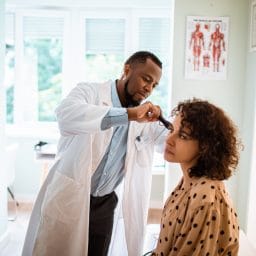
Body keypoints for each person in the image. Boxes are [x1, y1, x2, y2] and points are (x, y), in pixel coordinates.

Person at [22, 51, 169, 256]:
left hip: (105, 205)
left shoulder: (144, 118)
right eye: (146, 79)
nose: (149, 88)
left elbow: (169, 140)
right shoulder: (89, 92)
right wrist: (127, 115)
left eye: (154, 85)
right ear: (127, 70)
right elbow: (65, 115)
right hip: (73, 197)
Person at [152, 99, 241, 256]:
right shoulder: (189, 180)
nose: (169, 140)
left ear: (206, 146)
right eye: (171, 129)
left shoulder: (205, 198)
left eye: (183, 136)